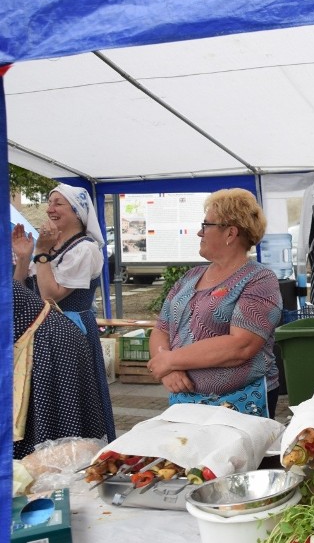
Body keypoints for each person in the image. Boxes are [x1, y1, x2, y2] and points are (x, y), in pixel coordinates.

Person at [146, 188, 283, 418]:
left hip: (239, 404)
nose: (200, 233)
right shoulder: (189, 277)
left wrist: (170, 360)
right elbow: (161, 328)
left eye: (206, 225)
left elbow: (241, 346)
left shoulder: (259, 279)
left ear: (230, 233)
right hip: (184, 401)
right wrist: (167, 370)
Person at [12, 183, 116, 441]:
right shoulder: (50, 246)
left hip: (69, 332)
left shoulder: (85, 249)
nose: (50, 209)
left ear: (77, 211)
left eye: (58, 203)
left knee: (68, 395)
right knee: (43, 397)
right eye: (50, 203)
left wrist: (42, 254)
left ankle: (74, 450)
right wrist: (25, 257)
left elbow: (50, 296)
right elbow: (20, 290)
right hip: (41, 332)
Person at [13, 281, 110, 459]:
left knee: (61, 435)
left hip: (48, 342)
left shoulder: (80, 254)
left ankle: (60, 479)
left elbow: (50, 292)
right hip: (33, 336)